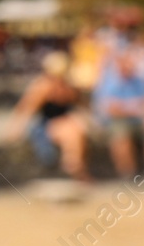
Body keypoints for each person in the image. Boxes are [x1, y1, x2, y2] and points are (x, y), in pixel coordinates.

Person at [92, 35, 144, 180]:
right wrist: (138, 110)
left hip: (138, 119)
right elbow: (111, 109)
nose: (129, 65)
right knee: (121, 137)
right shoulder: (108, 81)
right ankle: (128, 175)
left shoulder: (140, 80)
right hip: (117, 121)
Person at [8, 51, 90, 181]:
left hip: (66, 123)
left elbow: (84, 106)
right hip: (47, 125)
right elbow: (26, 109)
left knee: (75, 128)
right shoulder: (42, 87)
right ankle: (74, 168)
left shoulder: (70, 87)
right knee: (71, 131)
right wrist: (15, 129)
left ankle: (74, 166)